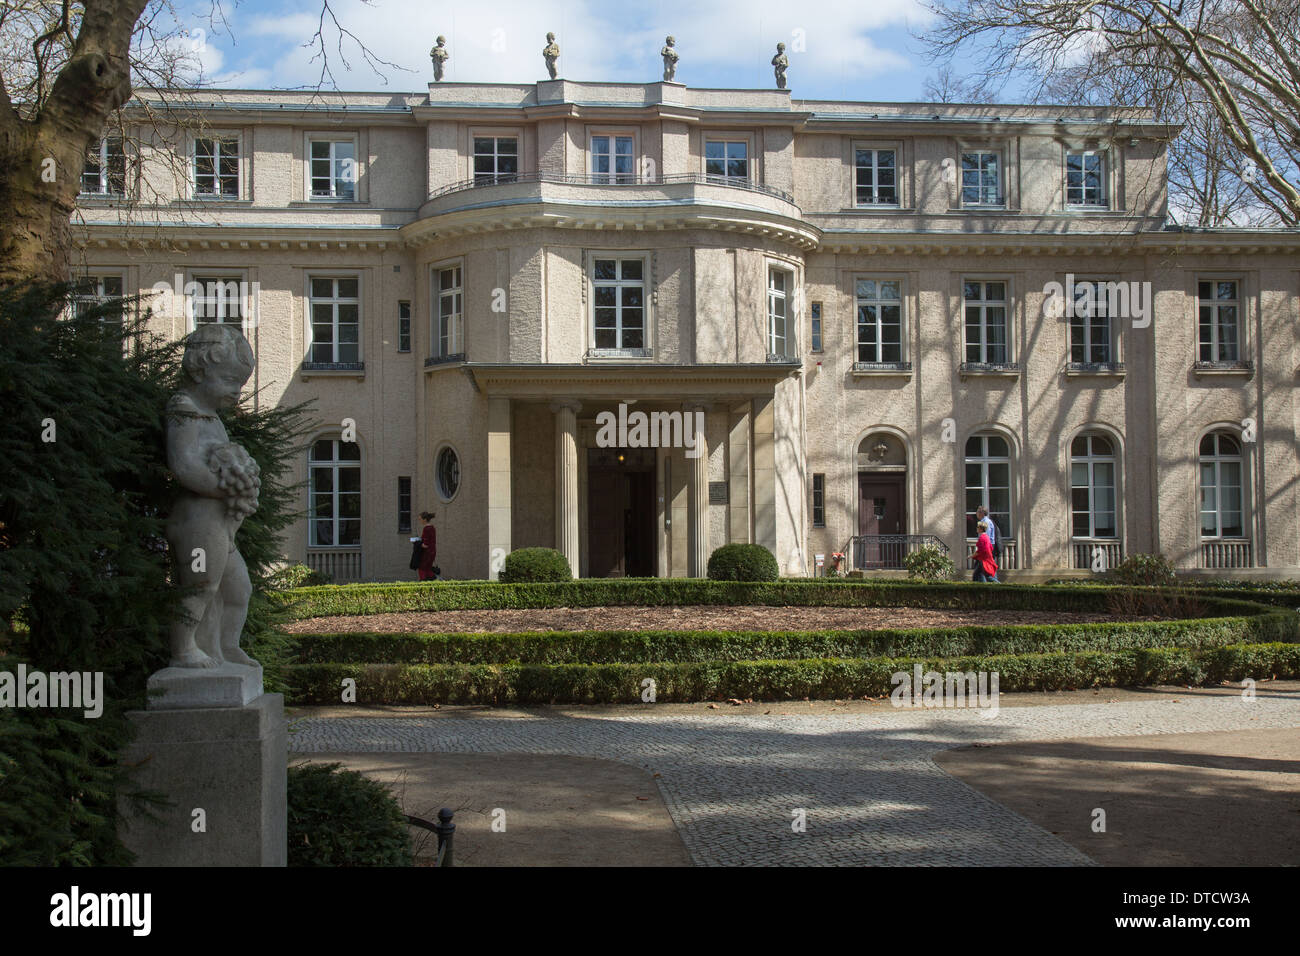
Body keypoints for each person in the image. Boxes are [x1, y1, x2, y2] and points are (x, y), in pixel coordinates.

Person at [970, 518, 999, 583]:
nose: (976, 528)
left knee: (988, 576)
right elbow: (990, 547)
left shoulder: (982, 538)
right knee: (977, 574)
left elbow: (982, 550)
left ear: (980, 529)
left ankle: (1000, 586)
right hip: (982, 559)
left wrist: (972, 555)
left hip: (984, 560)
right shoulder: (985, 537)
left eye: (977, 527)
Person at [417, 510, 438, 581]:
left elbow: (425, 545)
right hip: (432, 552)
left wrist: (417, 543)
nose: (420, 521)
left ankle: (423, 584)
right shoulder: (432, 528)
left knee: (421, 569)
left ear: (425, 519)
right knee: (428, 569)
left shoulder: (426, 529)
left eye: (420, 519)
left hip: (427, 553)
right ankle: (433, 582)